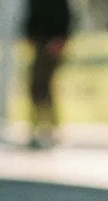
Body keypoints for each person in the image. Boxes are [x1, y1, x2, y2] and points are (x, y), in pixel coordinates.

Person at [23, 0, 71, 149]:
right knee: (36, 86)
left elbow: (64, 15)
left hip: (52, 42)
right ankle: (37, 127)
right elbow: (31, 15)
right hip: (39, 42)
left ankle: (50, 129)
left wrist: (60, 38)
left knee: (44, 86)